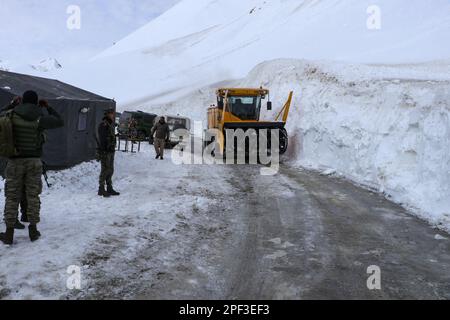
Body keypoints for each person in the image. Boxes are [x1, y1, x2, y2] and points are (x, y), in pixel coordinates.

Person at [0, 91, 64, 245]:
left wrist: (12, 104)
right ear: (36, 102)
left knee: (12, 196)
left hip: (15, 162)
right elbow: (59, 121)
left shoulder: (11, 114)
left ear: (22, 101)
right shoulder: (40, 118)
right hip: (34, 162)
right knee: (33, 196)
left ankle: (9, 234)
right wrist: (47, 107)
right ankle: (33, 230)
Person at [1, 96, 29, 230]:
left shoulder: (9, 118)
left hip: (15, 158)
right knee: (26, 188)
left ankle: (12, 218)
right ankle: (25, 214)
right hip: (29, 157)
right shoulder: (30, 117)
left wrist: (10, 105)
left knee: (13, 191)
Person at [97, 109, 120, 197]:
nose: (113, 115)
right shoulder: (104, 124)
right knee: (105, 170)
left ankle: (109, 187)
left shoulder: (110, 124)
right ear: (107, 114)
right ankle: (101, 188)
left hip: (110, 150)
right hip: (105, 151)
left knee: (110, 169)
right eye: (111, 114)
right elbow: (103, 139)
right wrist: (104, 150)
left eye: (113, 114)